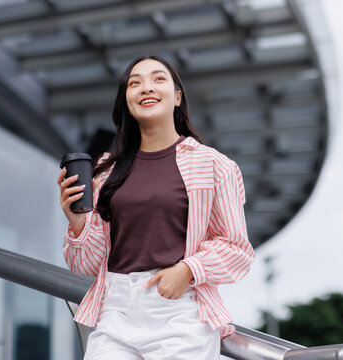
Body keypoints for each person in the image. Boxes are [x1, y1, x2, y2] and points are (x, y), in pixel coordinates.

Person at [57, 55, 255, 359]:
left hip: (179, 311)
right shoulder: (106, 171)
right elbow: (85, 265)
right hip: (115, 310)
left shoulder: (213, 164)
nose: (146, 87)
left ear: (177, 97)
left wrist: (189, 270)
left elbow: (238, 249)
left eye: (158, 79)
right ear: (127, 101)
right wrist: (78, 223)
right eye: (135, 83)